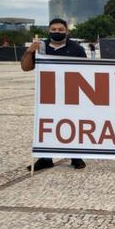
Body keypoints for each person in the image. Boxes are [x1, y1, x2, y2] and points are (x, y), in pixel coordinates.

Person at [21, 18, 88, 171]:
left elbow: (86, 70)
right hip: (48, 93)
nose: (57, 32)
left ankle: (75, 156)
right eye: (54, 30)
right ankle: (45, 158)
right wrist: (30, 50)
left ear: (66, 31)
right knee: (47, 125)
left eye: (60, 30)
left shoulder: (76, 48)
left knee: (72, 123)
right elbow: (26, 68)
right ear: (49, 30)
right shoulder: (41, 47)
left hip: (71, 93)